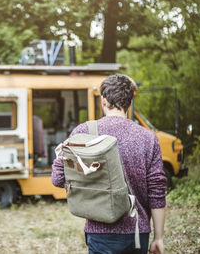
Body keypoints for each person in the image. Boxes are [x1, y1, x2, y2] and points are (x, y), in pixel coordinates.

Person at [51, 74, 167, 254]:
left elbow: (58, 179)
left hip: (100, 233)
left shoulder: (83, 133)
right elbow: (157, 192)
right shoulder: (148, 138)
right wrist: (159, 238)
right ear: (129, 103)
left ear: (103, 101)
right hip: (138, 233)